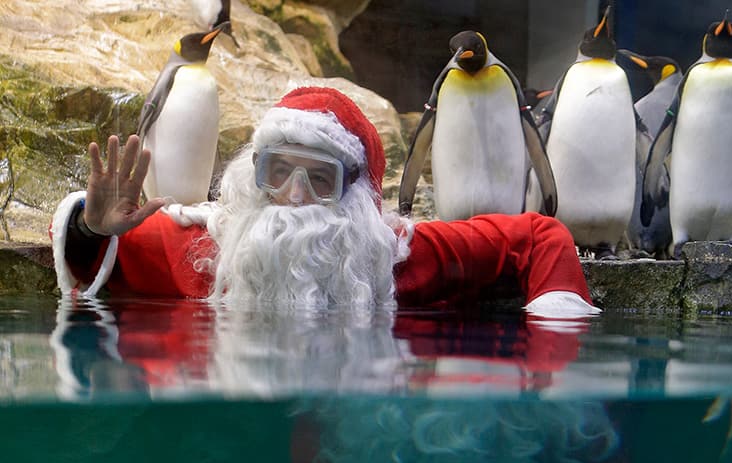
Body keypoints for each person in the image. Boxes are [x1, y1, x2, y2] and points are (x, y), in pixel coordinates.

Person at [50, 86, 600, 319]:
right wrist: (93, 230)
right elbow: (95, 256)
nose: (293, 196)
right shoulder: (205, 251)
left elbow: (538, 235)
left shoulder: (395, 258)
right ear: (252, 176)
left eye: (320, 179)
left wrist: (554, 352)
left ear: (359, 196)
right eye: (278, 172)